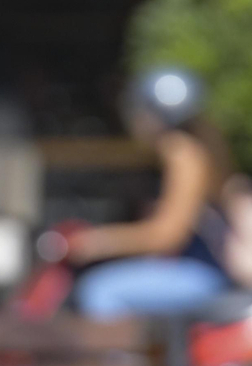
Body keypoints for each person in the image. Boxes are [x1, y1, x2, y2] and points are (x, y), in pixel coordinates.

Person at [67, 68, 235, 318]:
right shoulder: (193, 149)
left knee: (99, 291)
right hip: (196, 270)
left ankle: (117, 359)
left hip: (202, 274)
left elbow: (168, 235)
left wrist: (98, 242)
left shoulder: (183, 154)